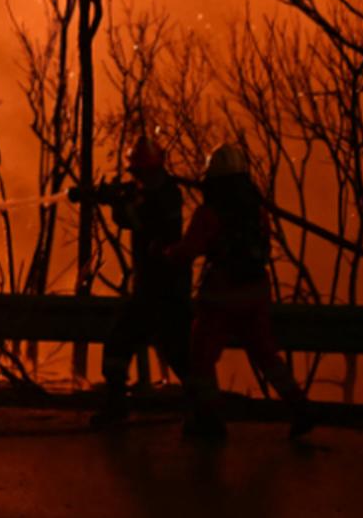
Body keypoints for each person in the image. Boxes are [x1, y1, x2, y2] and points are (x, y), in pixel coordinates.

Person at [166, 142, 314, 440]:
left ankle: (209, 421)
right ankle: (300, 408)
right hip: (256, 291)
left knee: (202, 358)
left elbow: (188, 251)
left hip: (220, 296)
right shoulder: (258, 212)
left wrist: (165, 253)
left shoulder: (209, 214)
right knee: (266, 354)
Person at [70, 132, 193, 426]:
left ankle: (202, 410)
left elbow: (139, 222)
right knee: (130, 345)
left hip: (163, 289)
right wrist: (93, 195)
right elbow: (129, 206)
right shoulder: (147, 190)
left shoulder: (167, 196)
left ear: (152, 169)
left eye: (138, 171)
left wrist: (120, 206)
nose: (135, 175)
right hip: (152, 288)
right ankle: (200, 409)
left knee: (148, 346)